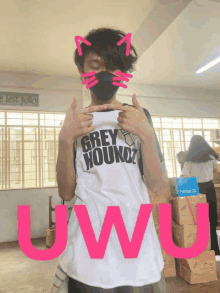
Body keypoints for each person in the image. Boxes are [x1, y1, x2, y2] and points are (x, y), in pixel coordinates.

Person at [56, 27, 167, 293]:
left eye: (114, 66)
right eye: (95, 65)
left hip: (136, 243)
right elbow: (66, 192)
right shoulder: (75, 120)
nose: (105, 74)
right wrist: (64, 140)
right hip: (88, 246)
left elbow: (157, 183)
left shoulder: (140, 116)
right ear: (83, 71)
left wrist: (147, 136)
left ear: (124, 72)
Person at [181, 135, 220, 255]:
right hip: (209, 187)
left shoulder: (188, 160)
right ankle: (215, 249)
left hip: (195, 189)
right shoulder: (211, 158)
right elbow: (217, 170)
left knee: (197, 219)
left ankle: (201, 248)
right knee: (212, 218)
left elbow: (185, 176)